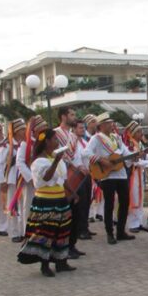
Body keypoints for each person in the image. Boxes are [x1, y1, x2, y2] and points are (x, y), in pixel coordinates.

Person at [17, 129, 76, 277]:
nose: (57, 142)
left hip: (60, 199)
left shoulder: (56, 158)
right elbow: (47, 177)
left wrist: (72, 192)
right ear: (47, 142)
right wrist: (56, 161)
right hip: (46, 201)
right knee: (45, 232)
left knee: (62, 232)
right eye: (55, 139)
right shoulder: (39, 161)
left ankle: (61, 261)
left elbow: (63, 179)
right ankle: (45, 265)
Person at [84, 113, 138, 245]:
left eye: (111, 122)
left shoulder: (116, 138)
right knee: (109, 204)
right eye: (108, 123)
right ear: (101, 125)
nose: (111, 125)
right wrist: (101, 160)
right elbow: (86, 152)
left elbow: (125, 153)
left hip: (121, 174)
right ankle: (109, 233)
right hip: (106, 175)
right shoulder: (96, 139)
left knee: (125, 202)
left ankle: (121, 231)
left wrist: (134, 156)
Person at [55, 107, 87, 259]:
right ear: (63, 116)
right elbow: (58, 156)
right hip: (63, 178)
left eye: (75, 114)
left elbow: (75, 157)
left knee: (76, 212)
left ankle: (72, 245)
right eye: (72, 114)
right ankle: (64, 247)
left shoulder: (73, 136)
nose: (74, 117)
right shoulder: (56, 133)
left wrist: (80, 166)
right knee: (66, 214)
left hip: (75, 177)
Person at [15, 115, 49, 237]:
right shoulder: (26, 143)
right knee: (28, 205)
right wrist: (30, 177)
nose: (45, 129)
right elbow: (20, 161)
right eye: (43, 127)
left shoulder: (44, 143)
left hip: (42, 180)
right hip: (29, 181)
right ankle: (27, 231)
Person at [0, 118, 27, 243]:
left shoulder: (26, 143)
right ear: (16, 131)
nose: (25, 131)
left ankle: (24, 231)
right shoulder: (6, 145)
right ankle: (14, 232)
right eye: (22, 129)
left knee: (24, 205)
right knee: (13, 206)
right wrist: (2, 181)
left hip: (24, 179)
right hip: (12, 179)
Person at [124, 120, 148, 233]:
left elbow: (143, 157)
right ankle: (133, 224)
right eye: (139, 131)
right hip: (133, 175)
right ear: (133, 133)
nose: (142, 134)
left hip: (139, 174)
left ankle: (139, 222)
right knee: (134, 198)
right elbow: (134, 162)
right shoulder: (130, 145)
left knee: (140, 198)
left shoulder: (138, 143)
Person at [73, 119, 95, 240]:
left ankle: (85, 227)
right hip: (78, 175)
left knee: (87, 202)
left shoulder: (84, 142)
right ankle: (80, 230)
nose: (82, 130)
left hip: (87, 174)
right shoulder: (73, 142)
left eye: (83, 128)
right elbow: (73, 158)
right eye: (80, 128)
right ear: (74, 129)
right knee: (81, 203)